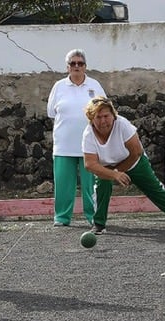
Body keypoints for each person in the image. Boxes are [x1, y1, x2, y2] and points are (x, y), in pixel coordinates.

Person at [82, 97, 165, 234]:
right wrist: (114, 174)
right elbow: (89, 164)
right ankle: (98, 224)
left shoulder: (122, 125)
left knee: (154, 188)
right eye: (98, 117)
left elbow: (136, 152)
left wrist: (118, 171)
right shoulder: (88, 134)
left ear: (113, 115)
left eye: (106, 116)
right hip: (107, 167)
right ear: (91, 118)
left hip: (134, 162)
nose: (103, 121)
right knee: (101, 187)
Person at [47, 49, 106, 227]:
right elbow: (51, 112)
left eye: (80, 63)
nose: (76, 66)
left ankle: (93, 217)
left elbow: (104, 112)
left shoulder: (95, 85)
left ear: (85, 66)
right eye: (73, 63)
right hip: (64, 145)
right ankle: (62, 218)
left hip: (90, 145)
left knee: (90, 186)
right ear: (68, 67)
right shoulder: (59, 87)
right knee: (64, 185)